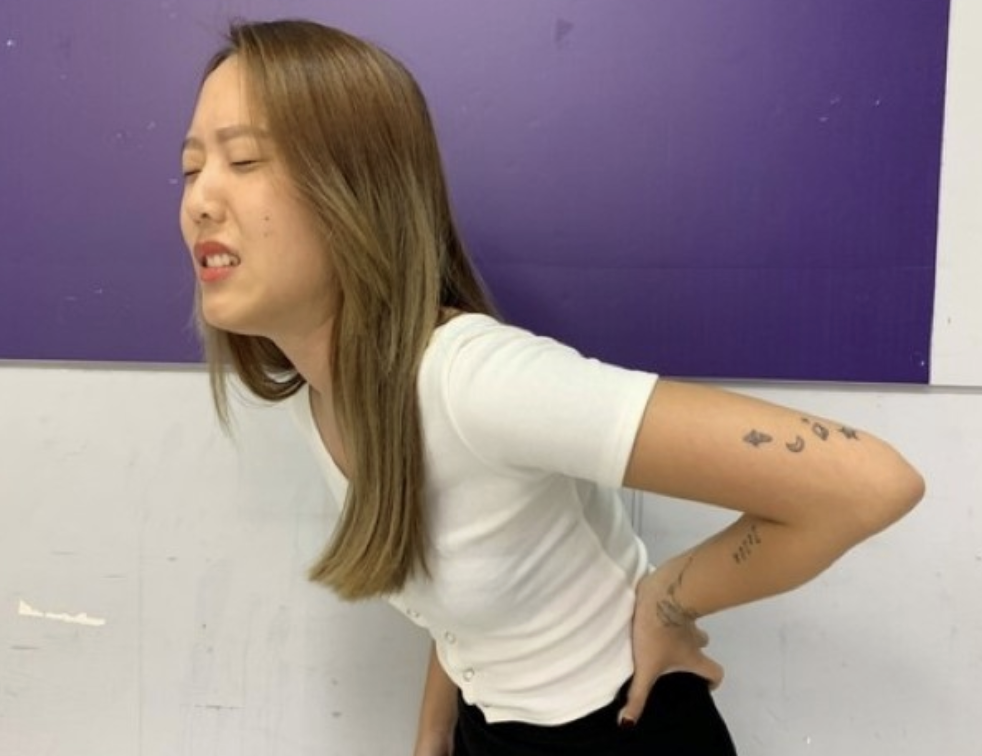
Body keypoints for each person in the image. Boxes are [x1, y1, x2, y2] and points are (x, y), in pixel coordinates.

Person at [178, 19, 924, 756]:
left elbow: (866, 484)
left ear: (358, 190)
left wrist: (668, 599)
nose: (200, 200)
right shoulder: (318, 396)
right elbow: (466, 581)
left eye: (243, 160)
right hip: (491, 730)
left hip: (621, 726)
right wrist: (434, 733)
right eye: (189, 168)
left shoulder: (475, 381)